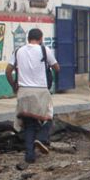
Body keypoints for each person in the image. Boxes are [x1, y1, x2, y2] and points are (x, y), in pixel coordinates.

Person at [5, 28, 61, 166]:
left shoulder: (18, 51)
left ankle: (29, 156)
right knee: (48, 118)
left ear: (28, 38)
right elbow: (57, 68)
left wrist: (14, 85)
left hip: (23, 92)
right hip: (41, 91)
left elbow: (8, 71)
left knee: (29, 124)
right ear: (40, 38)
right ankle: (41, 138)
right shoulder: (44, 50)